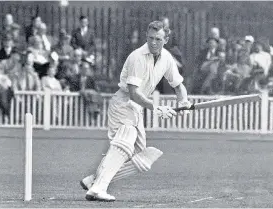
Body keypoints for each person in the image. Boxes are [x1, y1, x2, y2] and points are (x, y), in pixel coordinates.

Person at [80, 21, 191, 201]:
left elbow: (178, 86)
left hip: (136, 108)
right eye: (150, 38)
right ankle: (98, 188)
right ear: (146, 36)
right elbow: (133, 93)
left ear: (166, 39)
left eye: (158, 39)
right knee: (127, 138)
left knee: (142, 159)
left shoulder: (167, 58)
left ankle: (94, 180)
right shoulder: (138, 57)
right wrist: (157, 108)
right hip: (123, 103)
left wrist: (183, 101)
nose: (153, 43)